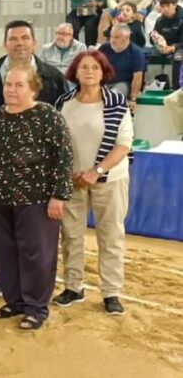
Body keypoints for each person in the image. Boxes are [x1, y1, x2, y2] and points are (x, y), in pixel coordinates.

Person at [0, 63, 73, 330]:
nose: (12, 90)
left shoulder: (48, 115)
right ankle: (15, 301)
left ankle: (36, 307)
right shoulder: (0, 114)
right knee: (4, 253)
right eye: (8, 84)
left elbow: (64, 157)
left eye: (19, 85)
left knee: (36, 254)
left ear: (33, 88)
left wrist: (59, 196)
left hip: (36, 199)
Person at [54, 50, 132, 316]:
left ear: (104, 72)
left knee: (110, 235)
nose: (89, 72)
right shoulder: (63, 102)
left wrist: (97, 171)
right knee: (71, 235)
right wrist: (67, 173)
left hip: (109, 179)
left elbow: (123, 145)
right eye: (84, 67)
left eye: (95, 68)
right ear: (75, 72)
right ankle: (73, 286)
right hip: (72, 180)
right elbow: (56, 142)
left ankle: (111, 292)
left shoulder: (116, 102)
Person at [0, 20, 69, 117]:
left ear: (34, 43)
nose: (20, 43)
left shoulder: (55, 78)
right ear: (5, 44)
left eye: (25, 38)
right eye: (13, 39)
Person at [98, 23, 146, 101]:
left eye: (117, 37)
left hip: (124, 83)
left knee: (113, 95)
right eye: (111, 36)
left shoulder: (136, 53)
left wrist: (133, 98)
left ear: (127, 38)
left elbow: (137, 77)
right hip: (105, 82)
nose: (112, 40)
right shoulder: (104, 48)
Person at [151, 0, 183, 88]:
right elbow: (154, 38)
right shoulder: (159, 21)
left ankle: (177, 88)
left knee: (178, 58)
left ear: (175, 5)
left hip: (179, 47)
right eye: (163, 6)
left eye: (168, 6)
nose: (165, 9)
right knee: (150, 56)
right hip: (164, 47)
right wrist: (154, 38)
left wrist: (173, 48)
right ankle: (154, 87)